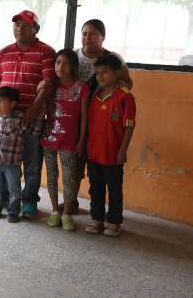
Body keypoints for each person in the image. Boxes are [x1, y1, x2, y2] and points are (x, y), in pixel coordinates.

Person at [0, 10, 57, 218]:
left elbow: (51, 82)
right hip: (5, 120)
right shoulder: (4, 52)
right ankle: (4, 200)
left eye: (25, 25)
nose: (19, 28)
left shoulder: (46, 52)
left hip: (30, 119)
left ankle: (28, 202)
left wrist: (35, 108)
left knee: (32, 164)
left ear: (35, 29)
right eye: (16, 24)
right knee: (2, 162)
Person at [66, 19, 134, 214]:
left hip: (102, 118)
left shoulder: (113, 58)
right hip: (75, 116)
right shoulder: (74, 56)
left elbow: (127, 83)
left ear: (103, 37)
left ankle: (107, 212)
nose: (88, 37)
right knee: (75, 162)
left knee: (102, 167)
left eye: (94, 34)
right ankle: (71, 201)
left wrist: (113, 94)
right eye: (85, 33)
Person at [84, 54, 136, 237]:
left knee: (114, 189)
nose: (100, 76)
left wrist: (123, 150)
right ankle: (96, 218)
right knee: (95, 187)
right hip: (94, 152)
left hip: (113, 153)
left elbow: (129, 126)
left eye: (105, 72)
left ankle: (114, 221)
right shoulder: (95, 97)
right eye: (97, 73)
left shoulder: (125, 97)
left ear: (117, 73)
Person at [41, 49, 89, 231]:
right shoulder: (50, 86)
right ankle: (54, 210)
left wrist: (82, 141)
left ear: (73, 66)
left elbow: (84, 117)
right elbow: (42, 108)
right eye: (58, 62)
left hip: (70, 140)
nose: (61, 67)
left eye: (66, 63)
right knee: (51, 175)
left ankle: (67, 212)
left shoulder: (82, 88)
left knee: (70, 178)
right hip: (49, 138)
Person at [0, 87, 26, 223]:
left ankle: (13, 211)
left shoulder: (20, 117)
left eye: (0, 102)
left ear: (12, 104)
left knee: (14, 189)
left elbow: (32, 127)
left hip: (12, 163)